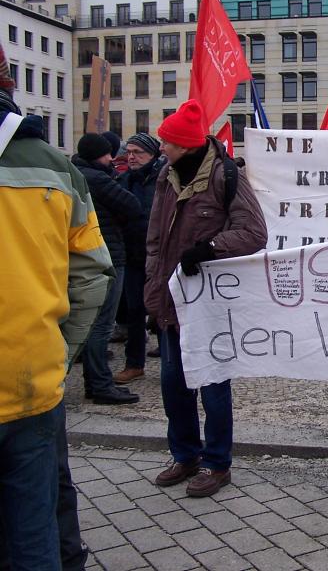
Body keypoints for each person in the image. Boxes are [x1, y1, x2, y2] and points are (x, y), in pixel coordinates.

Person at [0, 42, 113, 570]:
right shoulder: (54, 167)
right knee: (32, 525)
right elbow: (92, 274)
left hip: (34, 385)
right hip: (31, 382)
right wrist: (58, 350)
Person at [145, 99, 268, 498]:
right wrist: (153, 296)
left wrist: (210, 247)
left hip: (211, 305)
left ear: (185, 145)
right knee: (173, 384)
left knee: (213, 385)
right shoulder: (166, 175)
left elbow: (253, 233)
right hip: (171, 302)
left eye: (167, 142)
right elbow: (155, 242)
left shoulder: (226, 175)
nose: (161, 148)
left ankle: (217, 463)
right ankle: (184, 455)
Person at [72, 133, 142, 405]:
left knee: (88, 322)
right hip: (108, 256)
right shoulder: (97, 178)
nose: (112, 159)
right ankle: (100, 385)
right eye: (106, 154)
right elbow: (132, 206)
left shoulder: (73, 173)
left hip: (82, 257)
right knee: (101, 324)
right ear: (96, 155)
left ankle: (94, 382)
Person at [114, 133, 164, 385]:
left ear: (152, 154)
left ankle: (170, 362)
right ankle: (134, 364)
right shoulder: (122, 179)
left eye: (137, 152)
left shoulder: (166, 179)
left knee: (165, 311)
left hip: (161, 257)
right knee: (134, 311)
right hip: (133, 255)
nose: (131, 157)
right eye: (129, 152)